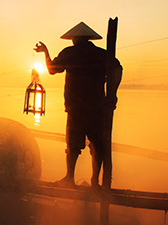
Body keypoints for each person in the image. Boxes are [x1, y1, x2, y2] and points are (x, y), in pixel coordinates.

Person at [34, 22, 122, 188]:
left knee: (73, 146)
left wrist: (45, 52)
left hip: (76, 109)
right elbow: (118, 69)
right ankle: (95, 181)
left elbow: (52, 69)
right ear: (88, 38)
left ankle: (70, 177)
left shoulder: (71, 53)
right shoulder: (101, 54)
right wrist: (112, 96)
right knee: (97, 146)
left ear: (74, 38)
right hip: (97, 107)